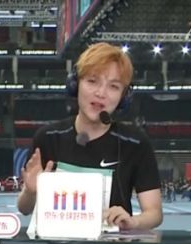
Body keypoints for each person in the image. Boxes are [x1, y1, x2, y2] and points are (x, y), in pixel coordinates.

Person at [17, 42, 162, 230]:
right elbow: (25, 208)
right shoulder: (48, 137)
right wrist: (30, 191)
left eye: (113, 86)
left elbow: (154, 213)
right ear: (75, 85)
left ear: (123, 97)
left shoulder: (136, 143)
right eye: (92, 81)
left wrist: (133, 221)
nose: (101, 93)